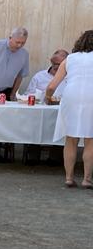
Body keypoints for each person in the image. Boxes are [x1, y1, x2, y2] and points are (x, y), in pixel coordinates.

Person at [46, 30, 93, 188]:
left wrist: (48, 97)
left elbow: (52, 85)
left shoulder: (69, 59)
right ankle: (86, 179)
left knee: (71, 139)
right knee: (90, 140)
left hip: (71, 97)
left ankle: (69, 177)